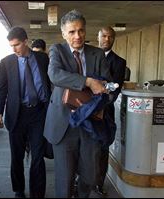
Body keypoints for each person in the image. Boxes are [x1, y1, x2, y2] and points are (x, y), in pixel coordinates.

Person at [43, 10, 113, 198]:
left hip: (90, 124)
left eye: (81, 30)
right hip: (64, 125)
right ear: (64, 34)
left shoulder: (97, 54)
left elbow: (108, 85)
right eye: (72, 32)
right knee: (64, 180)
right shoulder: (57, 50)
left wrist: (106, 90)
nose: (77, 36)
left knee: (90, 176)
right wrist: (89, 82)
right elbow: (55, 75)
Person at [0, 26, 51, 198]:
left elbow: (51, 82)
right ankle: (18, 189)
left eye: (17, 45)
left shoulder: (43, 59)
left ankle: (37, 193)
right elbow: (1, 88)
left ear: (26, 41)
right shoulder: (6, 62)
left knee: (37, 157)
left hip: (39, 113)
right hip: (17, 114)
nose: (14, 49)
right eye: (11, 46)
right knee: (17, 156)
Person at [95, 26, 126, 196]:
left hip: (105, 113)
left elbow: (115, 90)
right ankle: (80, 180)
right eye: (104, 36)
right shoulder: (88, 57)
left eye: (111, 37)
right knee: (83, 147)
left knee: (102, 150)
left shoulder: (120, 62)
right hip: (85, 112)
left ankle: (99, 183)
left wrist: (102, 107)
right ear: (98, 37)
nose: (107, 39)